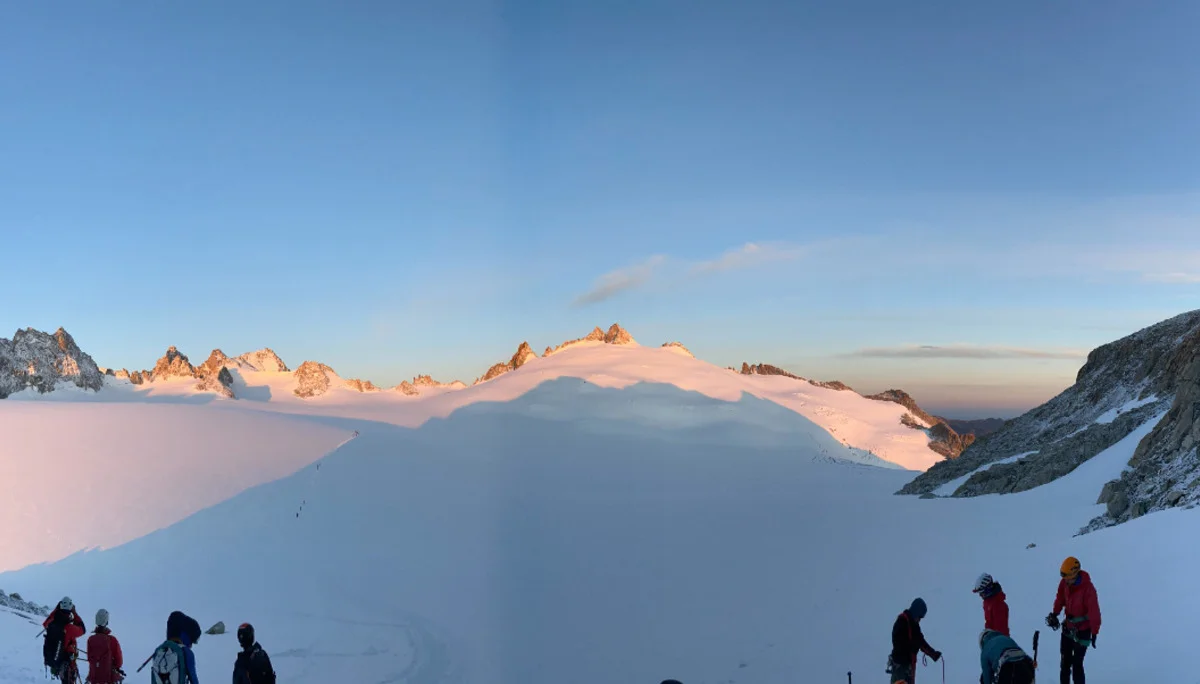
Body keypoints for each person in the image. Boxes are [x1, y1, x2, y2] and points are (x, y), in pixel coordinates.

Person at [1045, 556, 1100, 684]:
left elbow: (1094, 611)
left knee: (1077, 665)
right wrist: (1055, 613)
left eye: (1067, 576)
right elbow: (1060, 599)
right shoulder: (1064, 583)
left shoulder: (1088, 589)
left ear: (1074, 574)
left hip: (1083, 631)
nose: (1064, 580)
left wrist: (1095, 631)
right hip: (1068, 628)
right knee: (1065, 663)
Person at [889, 598, 942, 684]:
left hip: (909, 666)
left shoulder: (914, 625)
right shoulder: (901, 622)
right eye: (919, 616)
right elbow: (898, 642)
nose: (920, 620)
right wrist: (912, 645)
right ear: (915, 612)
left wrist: (933, 654)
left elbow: (920, 641)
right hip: (900, 667)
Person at [151, 610, 202, 684]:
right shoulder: (186, 652)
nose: (191, 645)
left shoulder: (159, 651)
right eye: (192, 641)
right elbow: (193, 679)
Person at [42, 597, 86, 677]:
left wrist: (56, 609)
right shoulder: (69, 628)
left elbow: (45, 623)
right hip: (66, 663)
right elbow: (82, 629)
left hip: (56, 660)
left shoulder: (51, 624)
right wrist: (75, 613)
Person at [86, 608, 125, 684]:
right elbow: (119, 662)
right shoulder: (112, 640)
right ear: (107, 621)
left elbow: (90, 658)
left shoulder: (90, 639)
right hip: (108, 679)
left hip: (94, 677)